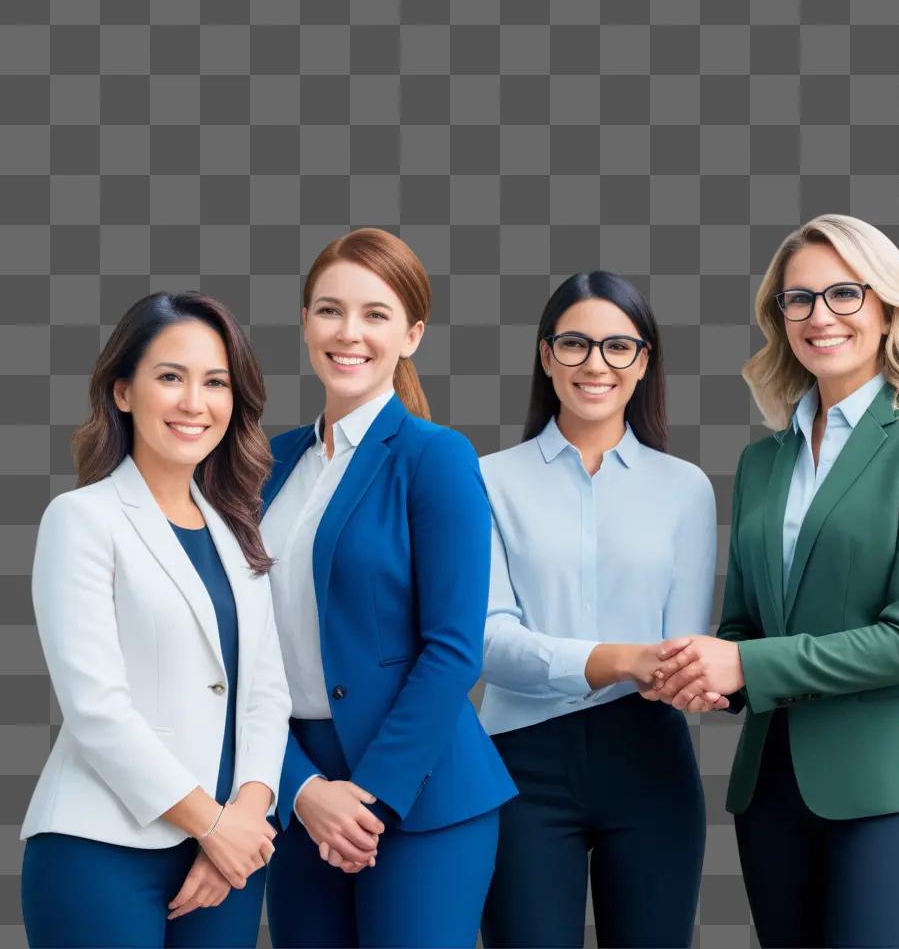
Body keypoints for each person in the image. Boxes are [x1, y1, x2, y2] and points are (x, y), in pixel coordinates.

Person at [647, 214, 899, 948]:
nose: (818, 316)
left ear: (888, 305)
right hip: (772, 789)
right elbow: (746, 624)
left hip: (892, 788)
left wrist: (745, 663)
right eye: (797, 300)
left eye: (843, 294)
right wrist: (702, 673)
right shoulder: (764, 463)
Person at [261, 228, 517, 949]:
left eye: (376, 314)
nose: (350, 333)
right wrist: (303, 790)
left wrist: (366, 799)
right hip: (298, 791)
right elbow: (238, 650)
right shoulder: (266, 464)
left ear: (413, 334)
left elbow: (454, 649)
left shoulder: (435, 458)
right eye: (329, 310)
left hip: (420, 792)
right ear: (306, 324)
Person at [20, 292, 292, 948]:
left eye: (215, 382)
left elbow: (267, 695)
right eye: (170, 377)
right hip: (101, 849)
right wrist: (211, 824)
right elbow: (96, 709)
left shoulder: (238, 532)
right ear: (122, 391)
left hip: (225, 860)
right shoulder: (82, 520)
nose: (194, 402)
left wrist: (245, 821)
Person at [478, 271, 718, 949]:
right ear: (545, 355)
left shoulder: (685, 490)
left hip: (650, 760)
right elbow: (487, 642)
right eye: (575, 343)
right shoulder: (486, 478)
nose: (595, 364)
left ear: (644, 363)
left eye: (619, 346)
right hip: (518, 765)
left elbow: (683, 650)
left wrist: (654, 666)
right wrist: (623, 659)